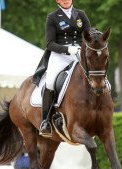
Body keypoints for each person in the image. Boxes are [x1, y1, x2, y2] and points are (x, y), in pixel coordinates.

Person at [33, 0, 91, 137]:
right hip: (60, 55)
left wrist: (93, 36)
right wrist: (67, 49)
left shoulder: (81, 15)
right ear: (57, 1)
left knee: (95, 74)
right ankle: (45, 121)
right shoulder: (52, 17)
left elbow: (88, 35)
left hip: (79, 54)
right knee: (50, 82)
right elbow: (49, 43)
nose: (66, 0)